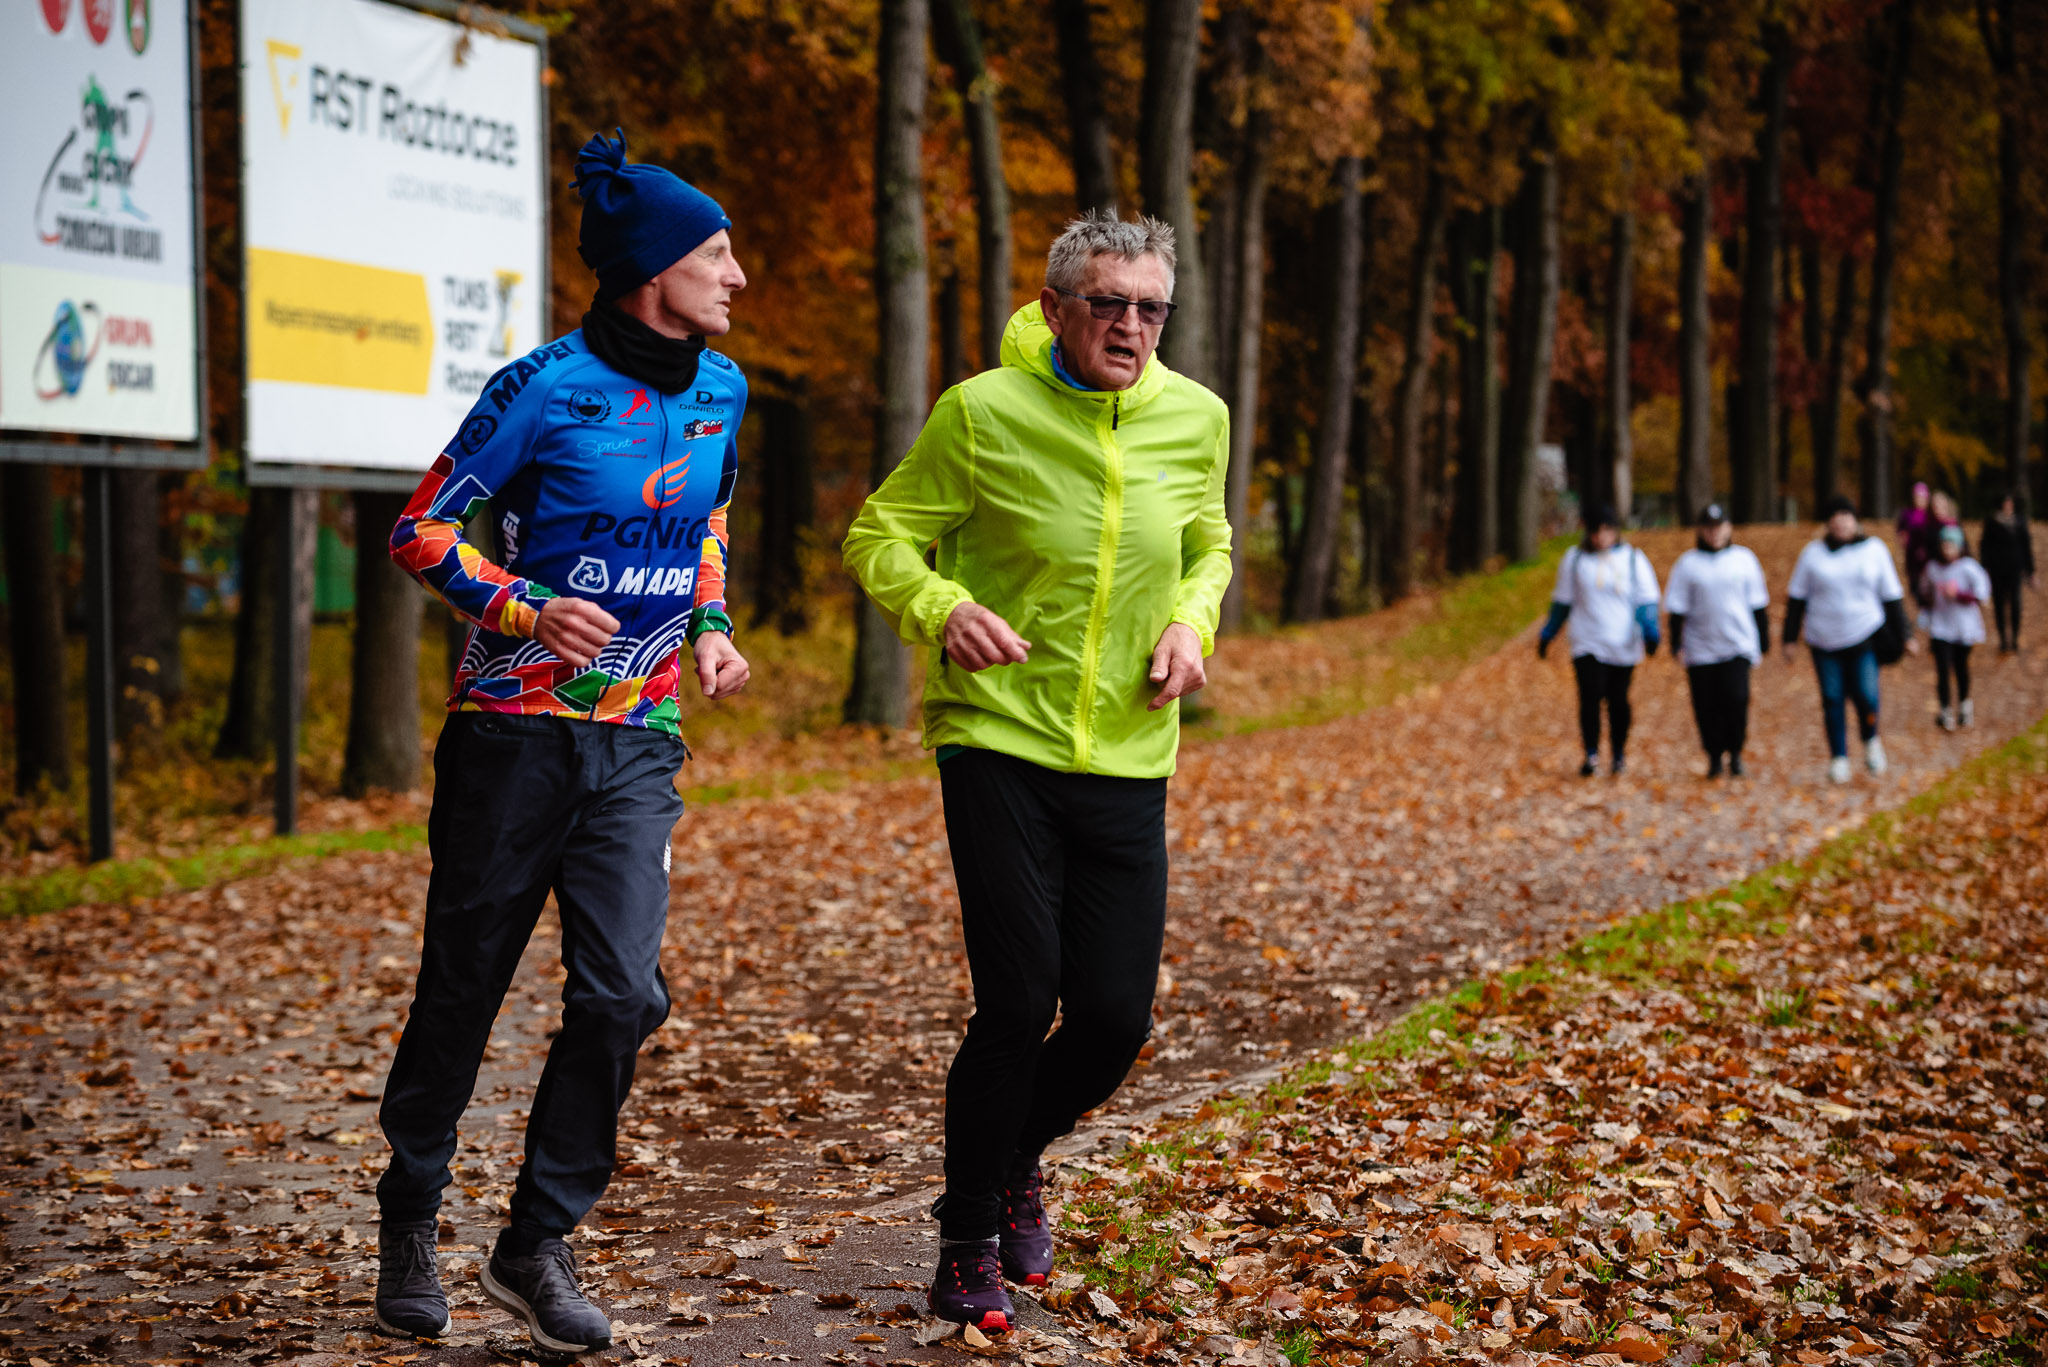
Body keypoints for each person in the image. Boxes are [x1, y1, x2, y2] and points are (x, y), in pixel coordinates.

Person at [373, 130, 751, 1356]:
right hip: (511, 735)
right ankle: (409, 1208)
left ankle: (535, 1237)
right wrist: (525, 607)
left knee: (623, 992)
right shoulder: (540, 385)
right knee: (463, 985)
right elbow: (422, 529)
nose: (737, 275)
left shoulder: (724, 389)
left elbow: (707, 525)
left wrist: (709, 626)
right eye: (715, 253)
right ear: (651, 270)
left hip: (638, 737)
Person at [842, 211, 1231, 1333]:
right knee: (1017, 1003)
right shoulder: (981, 412)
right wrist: (942, 607)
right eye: (1108, 302)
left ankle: (1015, 1155)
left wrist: (1193, 620)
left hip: (1130, 749)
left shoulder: (1195, 416)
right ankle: (966, 1237)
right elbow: (878, 535)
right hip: (998, 739)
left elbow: (1208, 542)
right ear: (1056, 307)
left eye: (1150, 307)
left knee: (1110, 1020)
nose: (1130, 325)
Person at [1784, 495, 1910, 784]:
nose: (1841, 522)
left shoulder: (1874, 550)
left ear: (1855, 520)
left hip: (1864, 635)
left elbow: (1892, 596)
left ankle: (1870, 739)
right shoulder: (1812, 555)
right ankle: (1838, 757)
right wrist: (1789, 639)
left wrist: (1906, 635)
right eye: (1835, 517)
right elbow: (1796, 599)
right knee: (1832, 698)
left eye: (1846, 516)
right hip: (1823, 640)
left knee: (1866, 695)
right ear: (1828, 523)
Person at [1537, 504, 1660, 777]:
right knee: (1590, 695)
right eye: (1595, 531)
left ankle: (1618, 753)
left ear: (1615, 530)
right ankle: (1591, 754)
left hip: (1623, 642)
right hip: (1587, 640)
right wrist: (1548, 634)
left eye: (1606, 530)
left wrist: (1651, 631)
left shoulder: (1633, 559)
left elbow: (1646, 600)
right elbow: (1562, 602)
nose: (1600, 537)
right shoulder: (1575, 559)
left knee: (1618, 699)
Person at [1662, 504, 1769, 778]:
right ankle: (1714, 755)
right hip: (1700, 647)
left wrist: (1763, 638)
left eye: (1719, 527)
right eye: (1709, 528)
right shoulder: (1688, 564)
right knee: (1706, 705)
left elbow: (1758, 604)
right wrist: (1676, 644)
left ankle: (1735, 751)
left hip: (1737, 644)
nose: (1714, 533)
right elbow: (1677, 608)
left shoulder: (1744, 559)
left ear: (1728, 527)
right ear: (1701, 530)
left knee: (1736, 698)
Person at [1921, 523, 1991, 730]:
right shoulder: (1933, 568)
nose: (1947, 550)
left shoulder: (1969, 567)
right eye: (1944, 545)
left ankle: (1964, 706)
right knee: (1943, 669)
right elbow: (1924, 591)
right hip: (1940, 627)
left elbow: (1982, 595)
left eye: (1951, 545)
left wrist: (1959, 595)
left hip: (1963, 627)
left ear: (1959, 547)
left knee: (1961, 667)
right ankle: (1945, 711)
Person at [1979, 491, 2036, 653]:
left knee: (2016, 604)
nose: (2008, 506)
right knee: (1999, 605)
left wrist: (2030, 571)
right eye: (2006, 502)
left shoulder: (2019, 521)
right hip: (1997, 570)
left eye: (2010, 503)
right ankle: (2003, 638)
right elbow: (1985, 546)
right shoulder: (1992, 521)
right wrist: (1984, 568)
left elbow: (2026, 546)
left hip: (2015, 569)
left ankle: (2015, 638)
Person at [1898, 481, 1936, 609]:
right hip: (1912, 553)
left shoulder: (1930, 514)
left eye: (1922, 497)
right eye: (1917, 497)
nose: (1919, 500)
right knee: (1914, 584)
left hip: (1927, 554)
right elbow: (1901, 530)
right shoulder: (1907, 513)